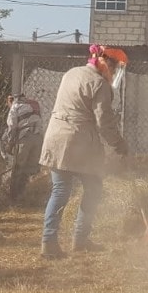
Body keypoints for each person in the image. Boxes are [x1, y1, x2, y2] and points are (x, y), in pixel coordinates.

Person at [38, 45, 129, 257]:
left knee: (59, 191)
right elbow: (104, 123)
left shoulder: (72, 73)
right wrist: (119, 145)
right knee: (94, 189)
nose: (115, 74)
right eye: (115, 69)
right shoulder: (100, 84)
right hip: (78, 142)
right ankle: (80, 239)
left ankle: (49, 242)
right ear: (106, 63)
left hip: (56, 137)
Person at [1, 93, 42, 201]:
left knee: (18, 167)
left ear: (11, 100)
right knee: (29, 169)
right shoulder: (34, 104)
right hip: (38, 138)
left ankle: (13, 197)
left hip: (25, 138)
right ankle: (24, 195)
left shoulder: (15, 107)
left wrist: (9, 145)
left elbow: (12, 127)